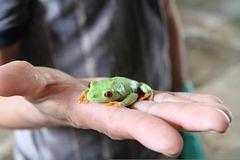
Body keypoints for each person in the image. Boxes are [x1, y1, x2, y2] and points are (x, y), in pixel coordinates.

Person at [0, 0, 231, 159]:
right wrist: (48, 105)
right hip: (66, 151)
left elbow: (167, 10)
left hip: (156, 126)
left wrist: (181, 84)